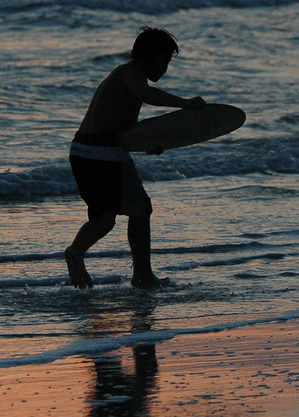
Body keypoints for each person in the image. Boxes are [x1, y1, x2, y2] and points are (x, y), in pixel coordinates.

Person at [65, 27, 205, 289]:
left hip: (82, 151)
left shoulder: (122, 75)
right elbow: (146, 95)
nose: (165, 68)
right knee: (140, 209)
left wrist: (146, 143)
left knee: (104, 219)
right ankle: (142, 276)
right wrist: (185, 103)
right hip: (105, 155)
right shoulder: (133, 74)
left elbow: (118, 126)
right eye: (164, 61)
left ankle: (75, 252)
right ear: (152, 58)